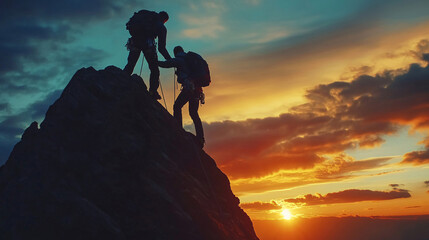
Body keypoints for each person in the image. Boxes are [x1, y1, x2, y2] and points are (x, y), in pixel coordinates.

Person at [158, 46, 205, 147]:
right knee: (193, 113)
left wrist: (155, 62)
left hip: (189, 88)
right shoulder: (190, 59)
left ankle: (178, 129)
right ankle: (201, 138)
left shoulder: (179, 59)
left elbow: (166, 64)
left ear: (175, 52)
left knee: (177, 106)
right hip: (197, 89)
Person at [123, 10, 172, 100]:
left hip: (135, 41)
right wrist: (169, 59)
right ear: (164, 20)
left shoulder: (146, 18)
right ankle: (153, 91)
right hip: (148, 45)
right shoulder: (161, 27)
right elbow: (161, 48)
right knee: (154, 69)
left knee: (130, 65)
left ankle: (121, 81)